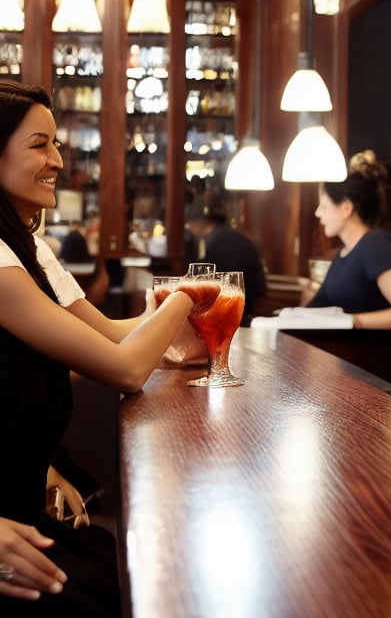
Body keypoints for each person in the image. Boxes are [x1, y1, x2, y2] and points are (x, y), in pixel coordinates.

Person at [0, 81, 218, 614]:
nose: (58, 160)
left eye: (56, 145)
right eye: (39, 145)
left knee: (113, 568)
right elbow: (124, 368)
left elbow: (111, 336)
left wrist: (168, 335)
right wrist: (185, 298)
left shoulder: (26, 247)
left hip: (21, 514)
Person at [306, 151, 391, 331]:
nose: (317, 213)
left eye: (323, 206)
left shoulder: (375, 245)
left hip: (379, 355)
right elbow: (311, 311)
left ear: (346, 208)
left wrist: (349, 321)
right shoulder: (343, 254)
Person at [186, 192, 268, 323]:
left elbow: (210, 291)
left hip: (226, 316)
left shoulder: (211, 243)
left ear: (200, 221)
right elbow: (259, 290)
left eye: (189, 222)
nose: (189, 227)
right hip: (247, 310)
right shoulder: (238, 237)